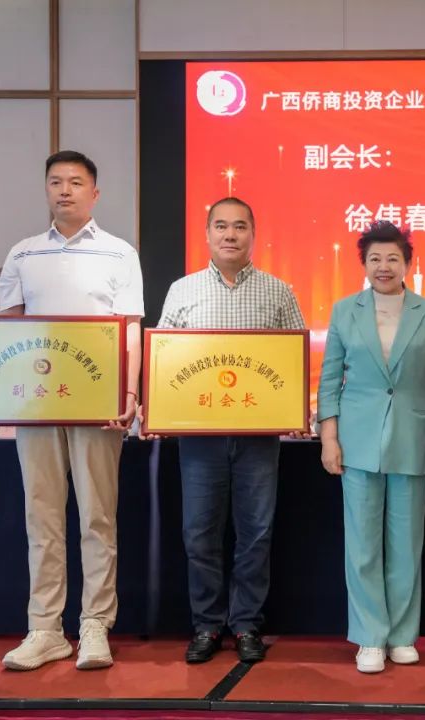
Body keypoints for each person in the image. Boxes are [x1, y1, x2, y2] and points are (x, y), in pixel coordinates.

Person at [0, 150, 144, 671]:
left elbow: (130, 330)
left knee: (98, 516)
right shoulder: (22, 254)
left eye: (76, 182)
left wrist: (128, 395)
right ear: (46, 190)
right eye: (56, 182)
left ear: (95, 193)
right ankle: (45, 628)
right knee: (43, 517)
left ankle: (95, 624)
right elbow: (8, 334)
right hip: (38, 403)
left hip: (98, 406)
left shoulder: (119, 253)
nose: (65, 190)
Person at [155, 197, 306, 664]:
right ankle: (206, 625)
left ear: (252, 235)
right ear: (207, 234)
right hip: (200, 437)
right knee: (199, 533)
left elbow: (297, 360)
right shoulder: (182, 290)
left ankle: (246, 625)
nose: (230, 235)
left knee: (255, 533)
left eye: (240, 226)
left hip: (259, 438)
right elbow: (163, 359)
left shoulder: (279, 292)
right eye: (221, 226)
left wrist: (295, 409)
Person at [317, 221, 425, 674]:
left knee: (406, 543)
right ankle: (370, 637)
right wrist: (329, 437)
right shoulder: (344, 311)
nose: (384, 266)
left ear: (408, 263)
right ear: (365, 264)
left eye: (393, 258)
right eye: (375, 259)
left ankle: (403, 635)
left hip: (414, 435)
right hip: (357, 438)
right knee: (363, 544)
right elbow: (329, 379)